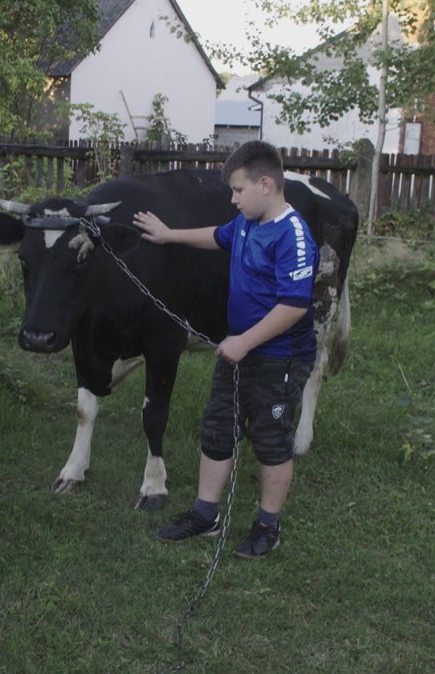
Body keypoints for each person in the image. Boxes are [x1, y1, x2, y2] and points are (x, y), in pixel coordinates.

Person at [131, 141, 317, 560]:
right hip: (239, 352)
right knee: (216, 431)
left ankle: (267, 526)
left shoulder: (293, 236)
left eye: (237, 190)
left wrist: (244, 341)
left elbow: (293, 305)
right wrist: (169, 234)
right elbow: (216, 238)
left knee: (271, 441)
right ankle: (205, 515)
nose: (232, 200)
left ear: (265, 184)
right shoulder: (249, 222)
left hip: (280, 358)